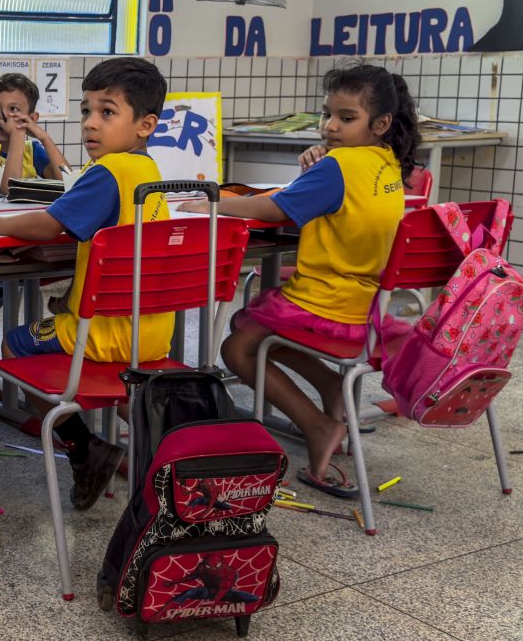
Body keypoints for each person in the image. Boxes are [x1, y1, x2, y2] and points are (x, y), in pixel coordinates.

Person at [177, 64, 420, 498]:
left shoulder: (339, 164)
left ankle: (318, 425)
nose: (330, 126)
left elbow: (279, 208)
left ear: (380, 123)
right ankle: (330, 385)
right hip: (365, 303)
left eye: (346, 118)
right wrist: (319, 163)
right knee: (256, 332)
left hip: (325, 298)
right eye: (327, 114)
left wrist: (214, 205)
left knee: (237, 348)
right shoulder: (387, 161)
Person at [0, 57, 171, 509]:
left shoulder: (106, 173)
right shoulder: (148, 172)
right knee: (64, 319)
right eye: (86, 110)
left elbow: (51, 225)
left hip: (105, 336)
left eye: (107, 112)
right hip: (152, 334)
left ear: (145, 124)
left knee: (14, 343)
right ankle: (160, 436)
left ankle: (82, 447)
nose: (90, 123)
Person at [0, 73, 69, 192]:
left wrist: (45, 138)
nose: (3, 116)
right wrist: (17, 135)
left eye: (13, 109)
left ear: (31, 119)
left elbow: (68, 183)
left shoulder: (33, 151)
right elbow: (8, 190)